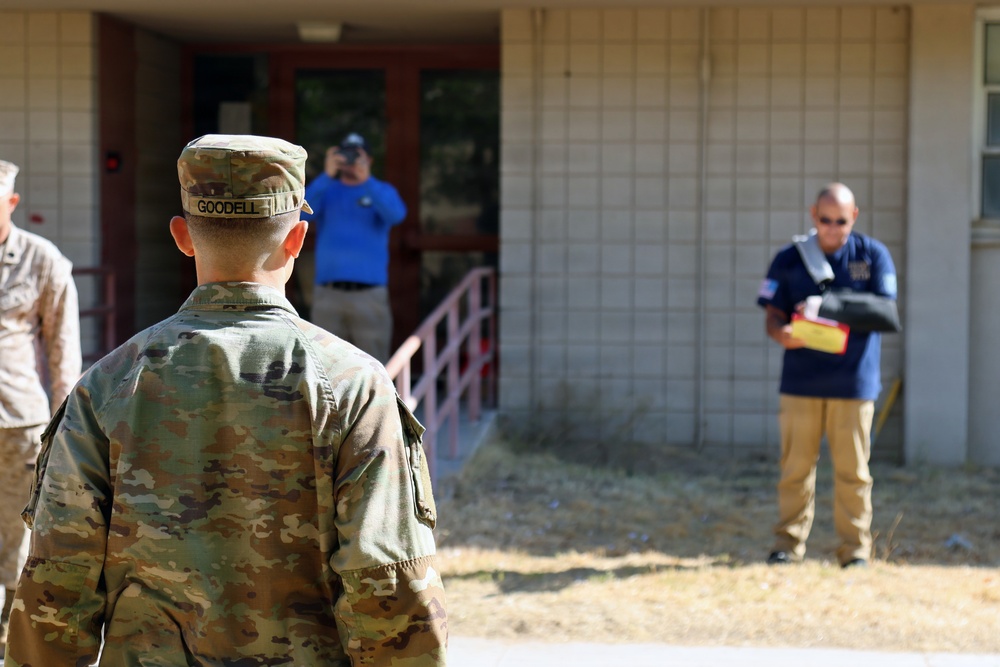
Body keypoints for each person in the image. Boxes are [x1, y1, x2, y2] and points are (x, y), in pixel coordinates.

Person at [5, 135, 447, 666]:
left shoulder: (106, 385)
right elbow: (390, 591)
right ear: (298, 239)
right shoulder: (354, 385)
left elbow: (57, 589)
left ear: (183, 237)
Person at [756, 182, 898, 569]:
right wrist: (780, 333)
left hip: (853, 384)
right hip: (801, 383)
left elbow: (886, 312)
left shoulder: (872, 255)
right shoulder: (789, 259)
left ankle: (854, 553)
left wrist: (828, 306)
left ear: (855, 216)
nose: (833, 228)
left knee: (853, 473)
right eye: (825, 219)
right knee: (795, 470)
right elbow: (772, 311)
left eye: (841, 220)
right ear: (812, 215)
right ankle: (787, 546)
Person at [0, 159, 81, 647]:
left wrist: (63, 425)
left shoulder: (42, 259)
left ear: (11, 204)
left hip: (18, 423)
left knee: (17, 537)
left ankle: (10, 637)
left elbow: (62, 351)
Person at [303, 132, 406, 363]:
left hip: (369, 296)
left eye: (357, 156)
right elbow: (299, 214)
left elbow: (397, 215)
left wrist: (366, 181)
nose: (351, 161)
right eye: (345, 154)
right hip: (328, 294)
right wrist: (326, 175)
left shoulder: (380, 190)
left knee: (375, 366)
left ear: (369, 160)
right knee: (322, 364)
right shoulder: (326, 189)